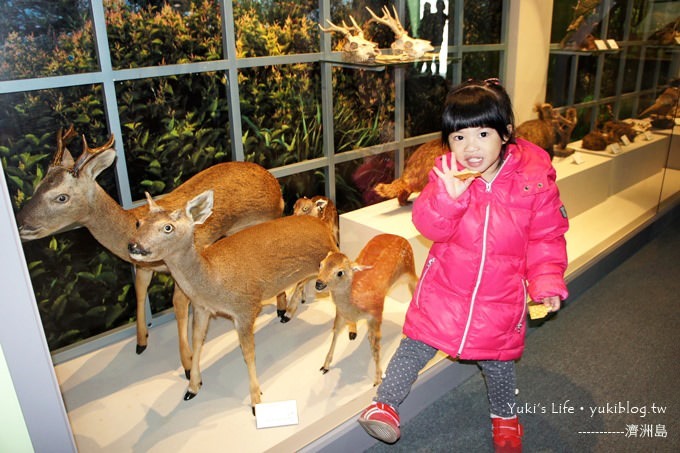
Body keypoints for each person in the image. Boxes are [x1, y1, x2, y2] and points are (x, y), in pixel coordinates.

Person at [357, 79, 569, 452]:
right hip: (445, 289)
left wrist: (547, 280)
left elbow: (546, 237)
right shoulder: (447, 175)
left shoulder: (534, 183)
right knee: (414, 345)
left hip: (498, 296)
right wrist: (448, 199)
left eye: (483, 133)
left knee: (498, 362)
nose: (470, 148)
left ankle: (505, 417)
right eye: (459, 137)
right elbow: (428, 226)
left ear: (505, 134)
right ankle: (384, 404)